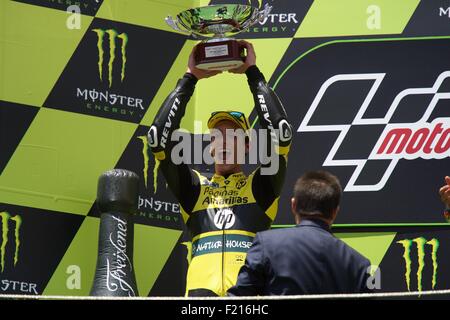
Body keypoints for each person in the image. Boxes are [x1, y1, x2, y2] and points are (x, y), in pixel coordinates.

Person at [147, 40, 292, 296]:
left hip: (248, 298)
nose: (224, 143)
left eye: (233, 137)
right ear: (209, 146)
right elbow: (158, 137)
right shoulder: (194, 189)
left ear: (247, 146)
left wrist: (252, 73)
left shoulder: (259, 187)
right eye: (217, 136)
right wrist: (190, 78)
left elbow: (281, 133)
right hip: (201, 300)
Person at [227, 170, 372, 296]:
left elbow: (238, 301)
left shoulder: (267, 244)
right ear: (335, 212)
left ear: (293, 205)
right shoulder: (359, 264)